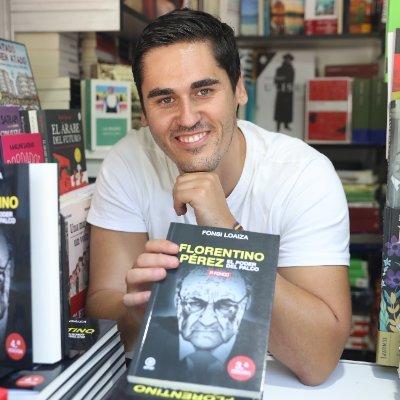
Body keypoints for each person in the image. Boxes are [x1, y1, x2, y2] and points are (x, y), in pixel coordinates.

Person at [86, 8, 351, 386]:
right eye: (164, 99)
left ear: (239, 89)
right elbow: (102, 306)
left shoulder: (303, 174)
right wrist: (139, 310)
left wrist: (228, 236)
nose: (187, 117)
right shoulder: (128, 161)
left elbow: (319, 359)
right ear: (143, 111)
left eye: (204, 91)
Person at [137, 267, 264, 386]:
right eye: (195, 303)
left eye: (225, 305)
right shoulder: (149, 331)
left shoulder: (261, 338)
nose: (207, 321)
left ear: (246, 303)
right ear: (177, 300)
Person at [274, 53, 294, 132]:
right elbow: (276, 80)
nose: (288, 61)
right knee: (279, 109)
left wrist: (282, 78)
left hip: (288, 92)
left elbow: (290, 80)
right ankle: (278, 126)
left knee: (287, 110)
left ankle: (286, 125)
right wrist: (283, 78)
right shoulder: (279, 69)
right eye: (286, 59)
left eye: (289, 59)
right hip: (280, 92)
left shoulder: (291, 70)